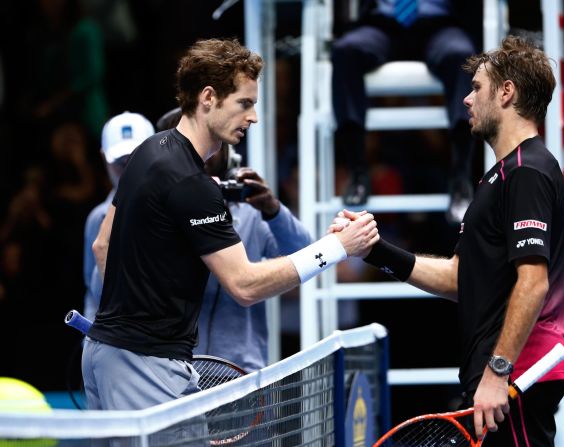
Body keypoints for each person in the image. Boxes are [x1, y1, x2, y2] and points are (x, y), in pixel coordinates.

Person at [82, 38, 379, 412]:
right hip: (145, 365)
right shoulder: (192, 184)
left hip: (108, 354)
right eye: (245, 103)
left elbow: (102, 247)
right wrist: (338, 246)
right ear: (208, 98)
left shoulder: (150, 150)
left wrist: (129, 319)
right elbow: (244, 285)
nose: (253, 117)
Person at [333, 35, 564, 445]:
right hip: (501, 372)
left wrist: (498, 374)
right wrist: (376, 250)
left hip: (517, 374)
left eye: (477, 88)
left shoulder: (527, 171)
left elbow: (533, 282)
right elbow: (462, 278)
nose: (465, 99)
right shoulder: (500, 176)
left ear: (506, 93)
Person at [154, 106, 312, 371]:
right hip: (173, 370)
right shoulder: (155, 212)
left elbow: (306, 254)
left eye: (211, 144)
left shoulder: (252, 213)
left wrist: (272, 209)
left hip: (240, 372)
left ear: (227, 153)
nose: (201, 154)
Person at [331, 0, 478, 221]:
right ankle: (358, 172)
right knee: (346, 50)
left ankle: (461, 177)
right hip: (382, 24)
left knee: (461, 54)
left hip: (439, 25)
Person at [82, 111, 155, 321]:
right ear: (103, 157)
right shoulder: (98, 218)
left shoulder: (178, 206)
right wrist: (89, 340)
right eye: (121, 162)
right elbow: (93, 295)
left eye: (135, 159)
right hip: (114, 344)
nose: (129, 170)